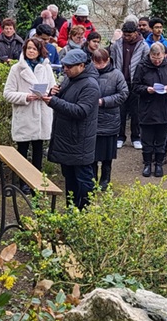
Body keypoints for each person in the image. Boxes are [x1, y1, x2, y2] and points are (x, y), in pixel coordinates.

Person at [42, 49, 99, 209]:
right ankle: (72, 211)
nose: (65, 69)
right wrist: (54, 94)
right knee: (70, 179)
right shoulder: (70, 78)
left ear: (81, 66)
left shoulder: (90, 85)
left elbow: (81, 111)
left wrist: (54, 102)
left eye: (68, 66)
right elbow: (64, 99)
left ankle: (85, 213)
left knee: (84, 180)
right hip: (66, 139)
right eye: (64, 66)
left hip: (79, 141)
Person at [2, 37, 55, 170]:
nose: (31, 51)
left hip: (41, 114)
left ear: (39, 51)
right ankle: (22, 183)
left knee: (38, 151)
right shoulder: (16, 69)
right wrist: (26, 97)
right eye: (28, 48)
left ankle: (36, 184)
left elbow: (53, 89)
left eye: (34, 48)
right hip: (25, 114)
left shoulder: (46, 68)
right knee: (22, 151)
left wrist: (47, 93)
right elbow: (7, 93)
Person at [131, 42, 167, 178]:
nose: (157, 61)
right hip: (147, 107)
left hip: (164, 107)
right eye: (154, 58)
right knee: (147, 138)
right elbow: (135, 86)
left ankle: (159, 164)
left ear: (164, 55)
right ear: (150, 55)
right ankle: (147, 164)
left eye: (159, 58)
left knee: (161, 138)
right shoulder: (142, 66)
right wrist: (147, 89)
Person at [91, 47, 128, 190]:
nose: (99, 65)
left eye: (101, 62)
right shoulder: (89, 74)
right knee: (92, 154)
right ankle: (92, 179)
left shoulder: (116, 75)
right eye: (96, 62)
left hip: (109, 120)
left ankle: (105, 179)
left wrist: (104, 101)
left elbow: (123, 94)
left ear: (107, 60)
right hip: (93, 121)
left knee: (107, 155)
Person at [110, 20, 150, 149]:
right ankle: (120, 136)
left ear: (135, 33)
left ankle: (136, 137)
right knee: (120, 111)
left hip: (136, 83)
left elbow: (145, 65)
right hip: (120, 81)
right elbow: (113, 61)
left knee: (136, 111)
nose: (126, 37)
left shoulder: (143, 46)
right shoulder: (117, 45)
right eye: (125, 35)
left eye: (129, 35)